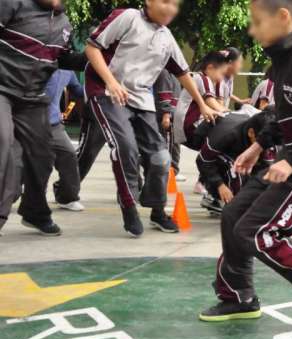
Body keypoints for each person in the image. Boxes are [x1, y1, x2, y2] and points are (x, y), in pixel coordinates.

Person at [199, 0, 292, 323]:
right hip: (291, 162)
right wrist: (258, 148)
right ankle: (239, 297)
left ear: (283, 18)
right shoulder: (281, 62)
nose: (252, 30)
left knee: (258, 233)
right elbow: (285, 117)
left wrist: (291, 161)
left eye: (257, 21)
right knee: (233, 216)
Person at [84, 1, 220, 238]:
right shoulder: (127, 17)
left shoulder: (166, 37)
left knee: (161, 157)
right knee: (125, 147)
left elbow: (182, 73)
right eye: (165, 1)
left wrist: (201, 104)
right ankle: (128, 206)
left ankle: (157, 211)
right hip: (107, 93)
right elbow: (92, 47)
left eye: (176, 4)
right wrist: (111, 82)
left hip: (141, 100)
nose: (171, 9)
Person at [0, 0, 86, 236]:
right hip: (2, 89)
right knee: (4, 144)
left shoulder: (64, 24)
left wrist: (94, 54)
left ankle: (34, 211)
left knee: (43, 154)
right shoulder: (12, 4)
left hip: (32, 98)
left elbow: (63, 58)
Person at [196, 110, 277, 215]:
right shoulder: (227, 135)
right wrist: (220, 186)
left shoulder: (265, 135)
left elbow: (266, 169)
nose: (265, 144)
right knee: (235, 170)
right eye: (262, 140)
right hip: (210, 137)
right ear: (251, 133)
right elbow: (202, 161)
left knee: (266, 172)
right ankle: (214, 196)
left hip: (239, 141)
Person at [173, 51, 231, 151]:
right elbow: (212, 103)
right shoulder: (203, 79)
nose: (221, 79)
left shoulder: (197, 78)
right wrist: (232, 114)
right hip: (189, 127)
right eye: (222, 74)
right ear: (210, 68)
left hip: (182, 129)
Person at [46, 70, 85, 212]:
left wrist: (100, 83)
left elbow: (79, 91)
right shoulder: (38, 59)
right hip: (29, 121)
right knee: (21, 166)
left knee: (69, 156)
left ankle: (66, 197)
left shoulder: (67, 70)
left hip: (54, 124)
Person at [154, 69, 183, 180]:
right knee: (168, 144)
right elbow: (164, 93)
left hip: (173, 113)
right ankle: (169, 171)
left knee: (174, 144)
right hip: (167, 114)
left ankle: (173, 170)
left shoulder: (174, 73)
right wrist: (166, 114)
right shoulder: (164, 72)